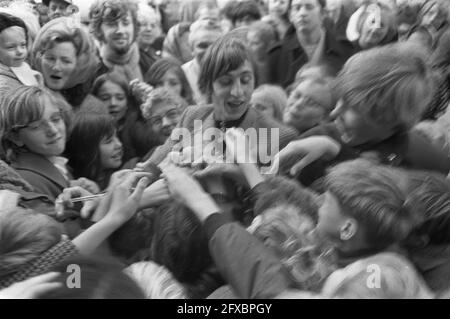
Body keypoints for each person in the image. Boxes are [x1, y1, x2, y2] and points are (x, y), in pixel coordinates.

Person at [270, 42, 450, 184]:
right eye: (340, 99)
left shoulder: (428, 169)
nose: (334, 113)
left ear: (389, 119)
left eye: (351, 108)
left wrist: (338, 154)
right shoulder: (315, 140)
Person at [141, 33, 298, 169]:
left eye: (245, 80)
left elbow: (277, 195)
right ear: (208, 85)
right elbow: (154, 165)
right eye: (226, 82)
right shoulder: (192, 116)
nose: (237, 92)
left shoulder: (279, 136)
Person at [267, 0, 354, 88]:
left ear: (323, 13)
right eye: (297, 8)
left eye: (309, 7)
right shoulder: (277, 55)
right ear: (290, 15)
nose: (302, 13)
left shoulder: (344, 49)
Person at [31, 17, 104, 110]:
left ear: (80, 65)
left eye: (66, 61)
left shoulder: (92, 108)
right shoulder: (28, 98)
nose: (56, 67)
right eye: (50, 58)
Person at [89, 0, 148, 82]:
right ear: (98, 30)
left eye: (126, 23)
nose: (120, 30)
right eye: (111, 24)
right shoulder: (89, 71)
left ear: (134, 27)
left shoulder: (150, 64)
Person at [65, 112, 124, 190]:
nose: (119, 144)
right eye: (108, 141)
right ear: (86, 151)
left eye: (117, 137)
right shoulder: (73, 184)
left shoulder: (119, 177)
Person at [182, 19, 223, 105]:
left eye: (214, 45)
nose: (209, 51)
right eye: (202, 46)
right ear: (191, 49)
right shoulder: (181, 75)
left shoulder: (232, 72)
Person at [0, 13, 42, 96]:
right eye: (11, 47)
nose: (20, 51)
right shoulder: (3, 84)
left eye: (23, 45)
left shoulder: (24, 66)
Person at [136, 1, 164, 71]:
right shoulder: (132, 56)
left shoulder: (153, 52)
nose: (149, 29)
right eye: (144, 24)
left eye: (153, 25)